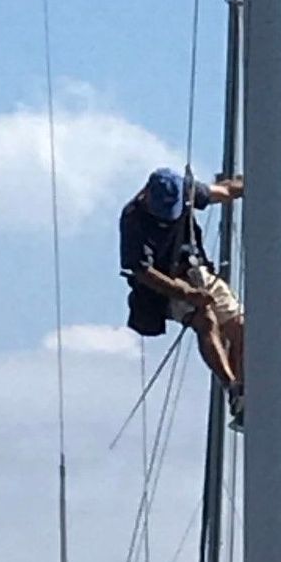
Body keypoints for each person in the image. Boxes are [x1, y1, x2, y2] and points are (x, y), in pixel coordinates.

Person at [120, 166, 245, 428]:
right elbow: (144, 272)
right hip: (165, 286)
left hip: (196, 271)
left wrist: (252, 184)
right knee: (205, 320)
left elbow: (223, 191)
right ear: (146, 195)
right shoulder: (133, 219)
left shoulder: (187, 190)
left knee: (240, 325)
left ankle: (244, 393)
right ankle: (231, 386)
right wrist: (186, 293)